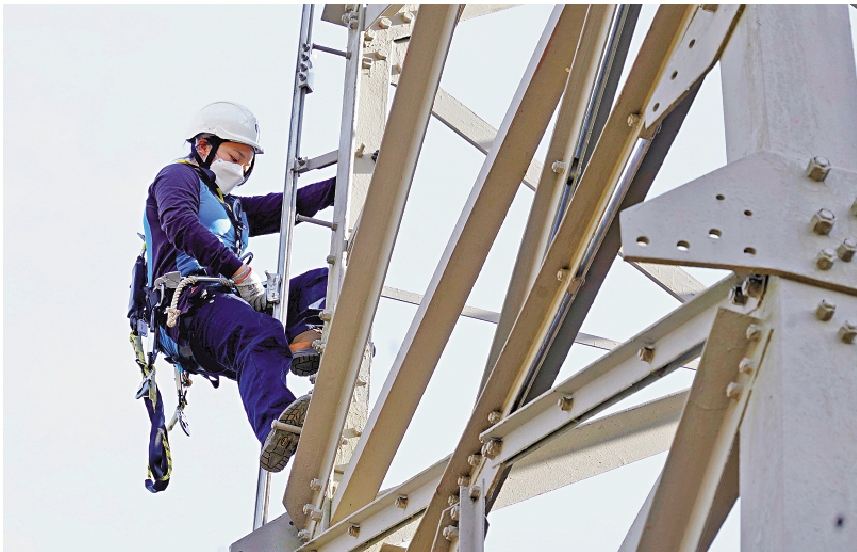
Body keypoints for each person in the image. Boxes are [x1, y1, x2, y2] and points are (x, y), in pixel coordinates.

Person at [143, 101, 334, 472]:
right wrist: (238, 273)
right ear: (203, 146)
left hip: (227, 308)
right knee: (258, 333)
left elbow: (291, 205)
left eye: (248, 160)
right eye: (235, 155)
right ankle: (276, 426)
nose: (242, 167)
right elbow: (181, 225)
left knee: (323, 282)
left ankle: (300, 344)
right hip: (189, 308)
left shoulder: (232, 208)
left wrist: (348, 182)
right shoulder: (177, 179)